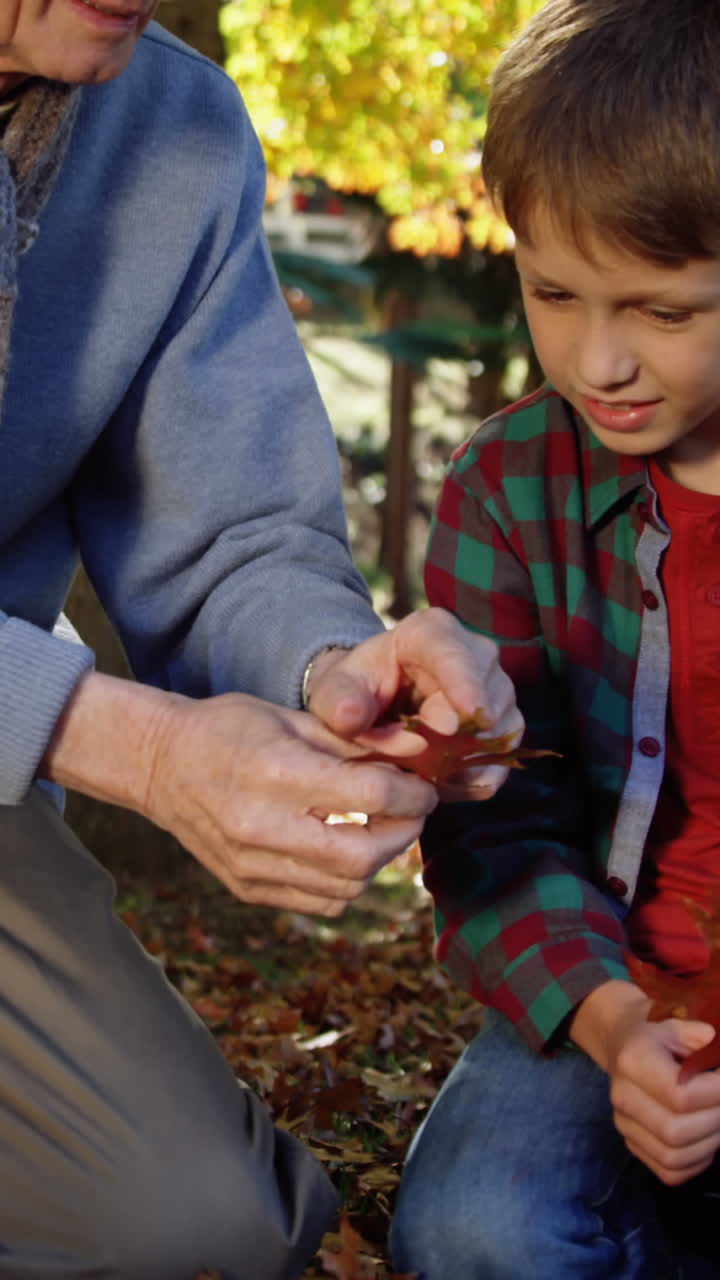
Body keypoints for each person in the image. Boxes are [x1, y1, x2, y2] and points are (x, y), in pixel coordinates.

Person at [0, 4, 524, 1278]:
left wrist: (335, 670)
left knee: (197, 1234)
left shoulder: (176, 129)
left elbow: (230, 530)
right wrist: (121, 741)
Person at [389, 2, 720, 1277]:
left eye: (664, 312)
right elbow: (491, 820)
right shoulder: (505, 487)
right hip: (610, 976)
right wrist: (617, 1019)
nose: (600, 360)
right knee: (475, 1230)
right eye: (551, 291)